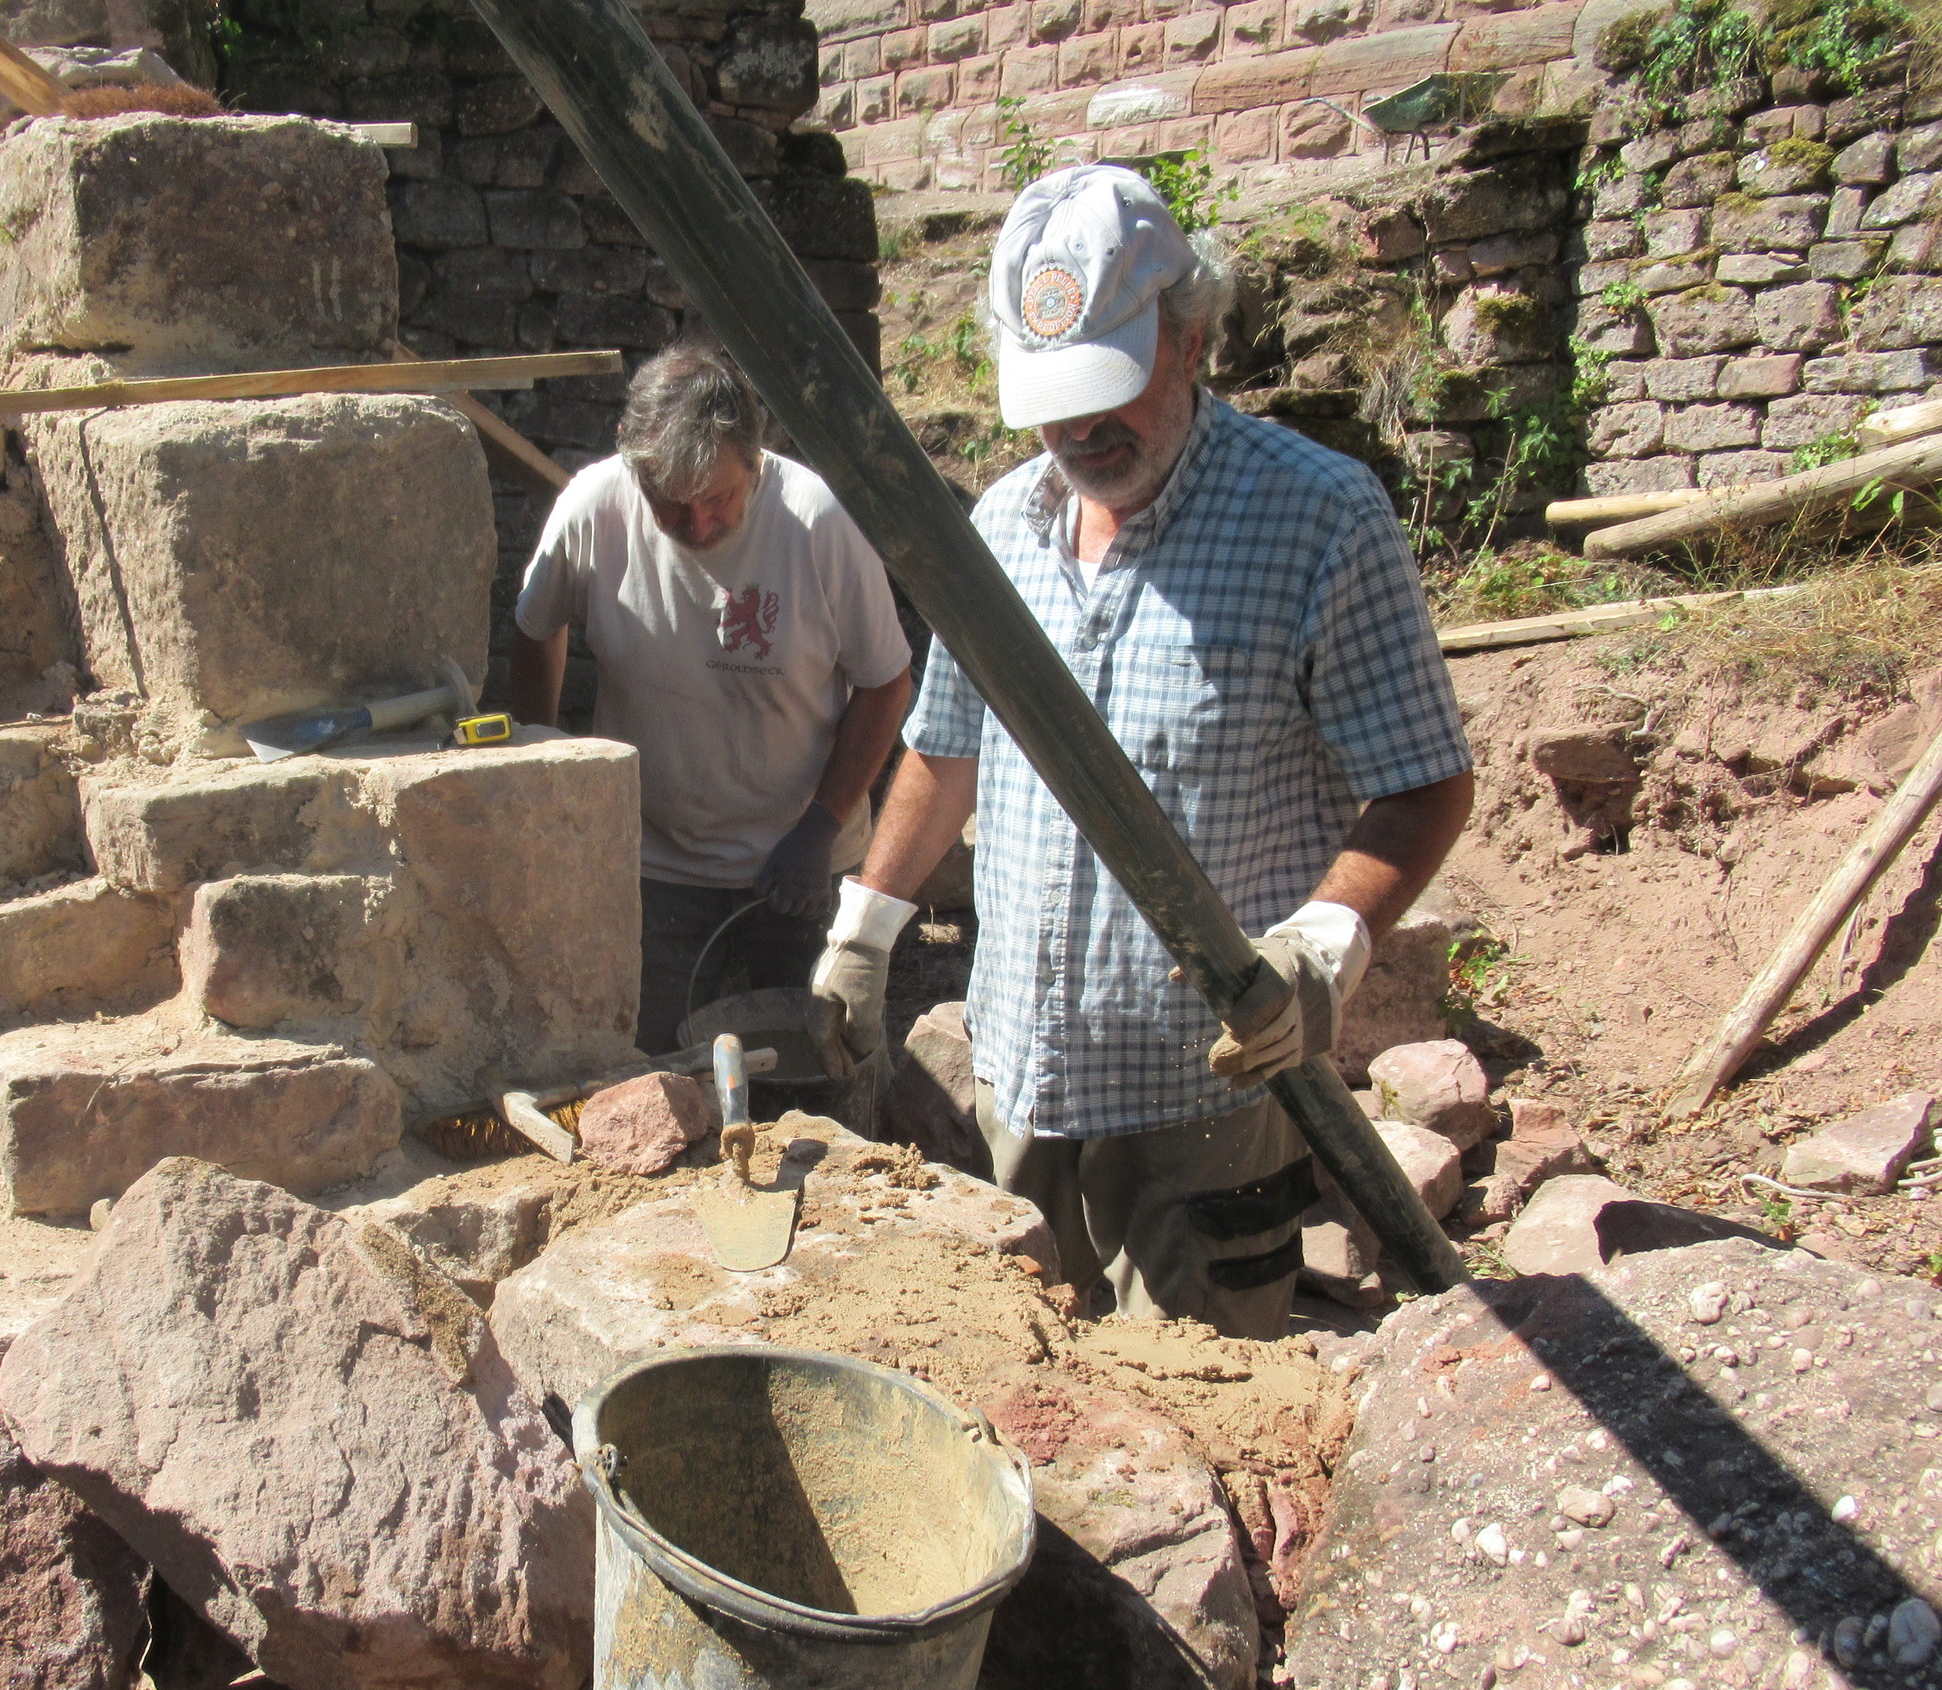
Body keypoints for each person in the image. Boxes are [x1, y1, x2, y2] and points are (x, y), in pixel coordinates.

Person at [810, 164, 1475, 1338]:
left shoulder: (1318, 520)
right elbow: (949, 748)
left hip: (1203, 1097)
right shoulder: (1004, 525)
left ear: (1192, 337)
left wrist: (1324, 949)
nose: (1079, 432)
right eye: (1054, 402)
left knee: (1206, 1408)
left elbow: (1424, 783)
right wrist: (865, 928)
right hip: (1020, 1076)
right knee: (1023, 1389)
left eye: (1108, 392)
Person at [512, 339, 914, 1053]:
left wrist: (820, 826)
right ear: (632, 463)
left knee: (814, 1072)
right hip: (653, 862)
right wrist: (540, 772)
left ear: (755, 461)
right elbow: (535, 629)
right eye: (671, 505)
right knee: (651, 1072)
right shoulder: (594, 509)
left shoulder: (817, 523)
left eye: (719, 499)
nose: (697, 526)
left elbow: (886, 684)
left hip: (799, 865)